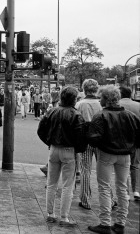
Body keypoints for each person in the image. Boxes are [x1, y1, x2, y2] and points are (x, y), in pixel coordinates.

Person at [87, 85, 140, 234]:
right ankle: (120, 223)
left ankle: (105, 223)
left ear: (106, 99)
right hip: (125, 155)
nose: (99, 100)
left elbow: (93, 138)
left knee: (104, 187)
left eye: (101, 97)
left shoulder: (101, 115)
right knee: (122, 188)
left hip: (106, 153)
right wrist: (131, 147)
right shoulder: (130, 115)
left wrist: (100, 144)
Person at [37, 86, 86, 227]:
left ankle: (50, 214)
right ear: (74, 99)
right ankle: (64, 217)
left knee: (51, 183)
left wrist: (50, 142)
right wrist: (78, 149)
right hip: (69, 150)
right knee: (67, 186)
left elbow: (41, 130)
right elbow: (80, 136)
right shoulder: (76, 115)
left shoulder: (52, 112)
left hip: (53, 149)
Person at [76, 79, 103, 210]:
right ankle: (112, 199)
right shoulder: (101, 104)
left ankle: (85, 199)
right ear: (96, 89)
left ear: (84, 89)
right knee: (103, 170)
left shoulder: (80, 104)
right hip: (99, 140)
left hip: (85, 139)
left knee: (85, 169)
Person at [118, 86, 140, 201]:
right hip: (135, 140)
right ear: (130, 94)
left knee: (123, 166)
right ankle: (136, 190)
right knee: (135, 165)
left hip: (120, 141)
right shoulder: (138, 105)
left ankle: (125, 192)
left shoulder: (117, 105)